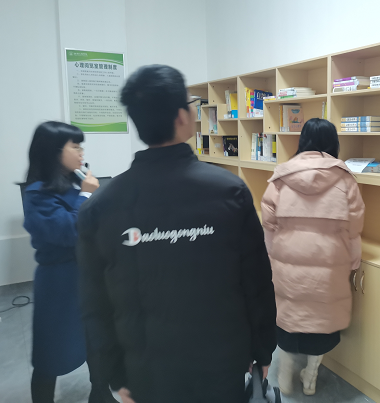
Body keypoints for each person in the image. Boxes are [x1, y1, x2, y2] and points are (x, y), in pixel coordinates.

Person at [76, 65, 277, 403]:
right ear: (182, 117)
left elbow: (94, 302)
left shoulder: (99, 207)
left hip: (144, 370)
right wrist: (262, 349)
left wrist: (113, 372)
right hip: (222, 362)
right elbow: (255, 281)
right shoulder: (230, 191)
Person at [261, 118, 365, 396]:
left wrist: (273, 256)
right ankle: (310, 377)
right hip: (329, 265)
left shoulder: (281, 176)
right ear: (333, 143)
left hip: (288, 263)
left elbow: (268, 222)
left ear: (302, 140)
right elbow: (354, 226)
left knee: (288, 317)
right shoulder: (344, 178)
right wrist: (353, 260)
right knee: (322, 322)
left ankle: (285, 376)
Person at [22, 121, 116, 403]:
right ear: (53, 151)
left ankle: (101, 393)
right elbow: (68, 232)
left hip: (90, 275)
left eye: (80, 146)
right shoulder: (37, 193)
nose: (81, 152)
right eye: (74, 146)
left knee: (96, 340)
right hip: (59, 282)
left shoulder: (77, 183)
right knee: (51, 351)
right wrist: (87, 195)